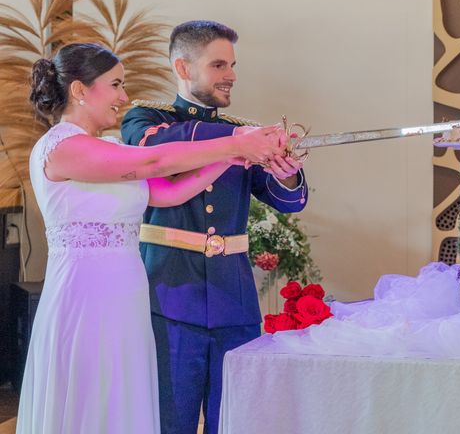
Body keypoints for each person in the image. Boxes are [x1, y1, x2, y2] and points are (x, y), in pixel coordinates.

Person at [16, 43, 287, 434]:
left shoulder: (108, 148)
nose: (124, 97)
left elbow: (167, 192)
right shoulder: (62, 147)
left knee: (124, 401)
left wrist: (230, 159)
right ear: (80, 90)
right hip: (86, 296)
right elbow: (154, 161)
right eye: (115, 85)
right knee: (91, 396)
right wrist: (236, 140)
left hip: (126, 297)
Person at [120, 20, 308, 434]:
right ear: (183, 68)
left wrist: (286, 171)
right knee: (171, 419)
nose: (232, 75)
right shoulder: (145, 117)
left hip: (233, 299)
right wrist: (237, 139)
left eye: (233, 65)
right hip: (168, 294)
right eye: (219, 64)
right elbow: (152, 146)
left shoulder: (241, 131)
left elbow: (287, 201)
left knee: (237, 417)